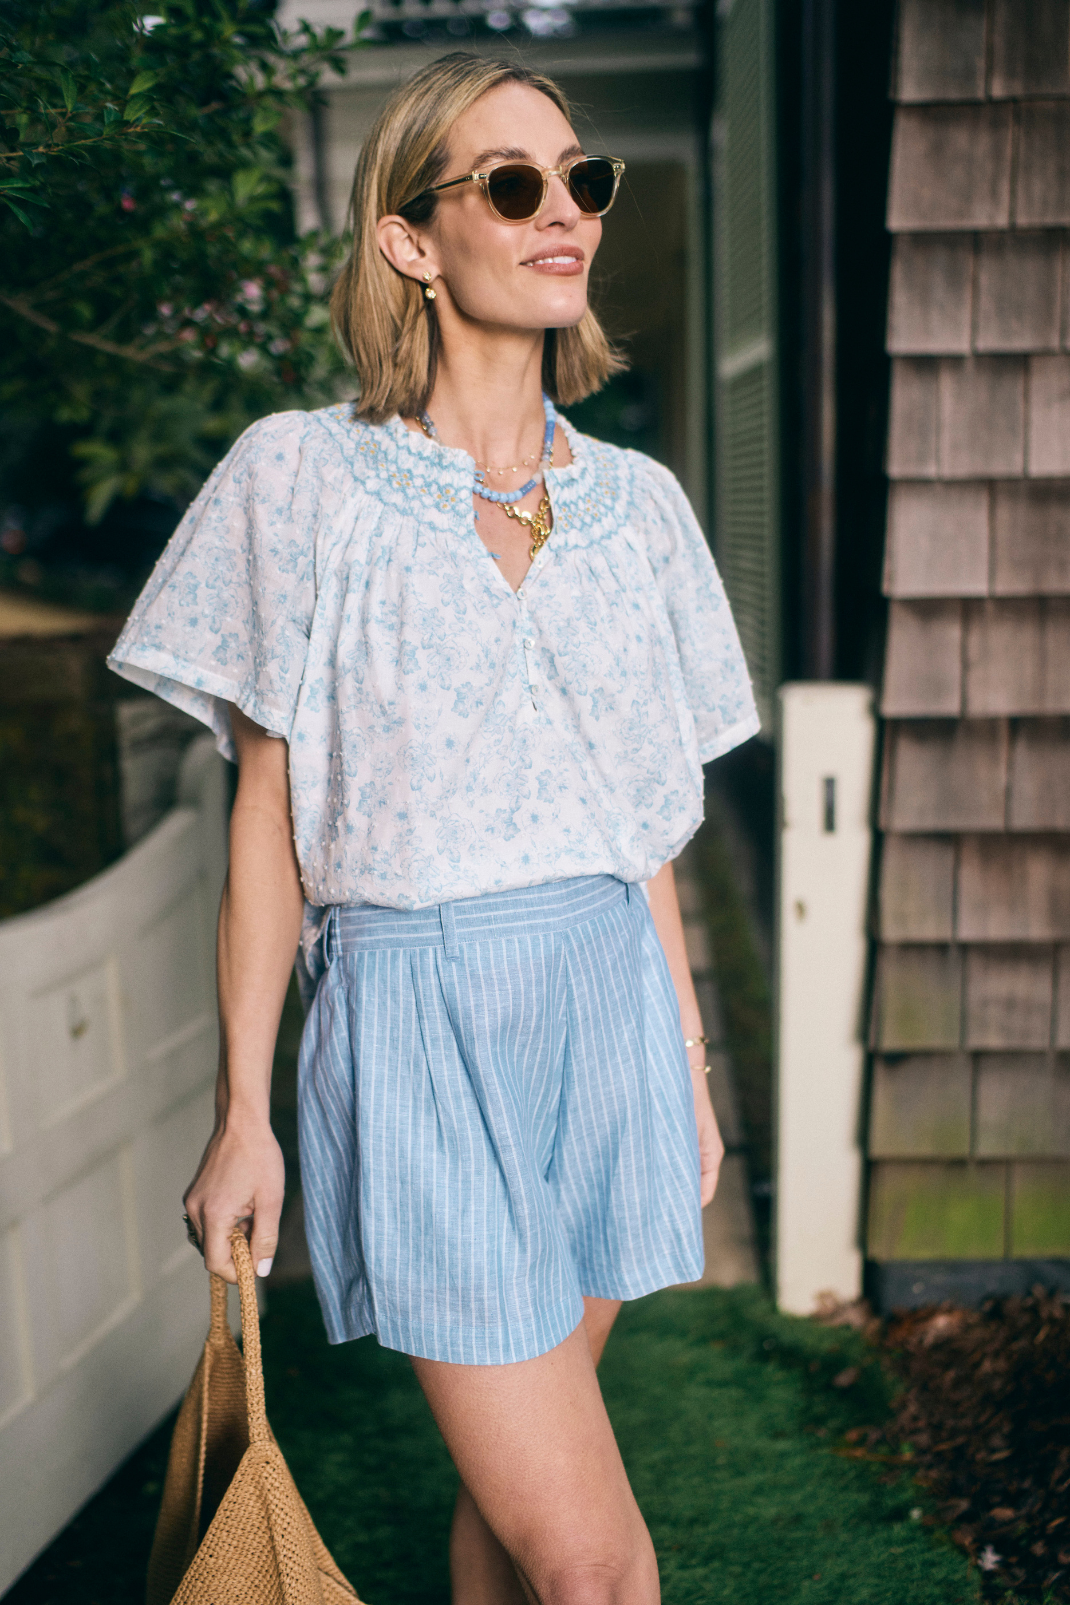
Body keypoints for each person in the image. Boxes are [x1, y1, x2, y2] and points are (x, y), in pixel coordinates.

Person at [108, 50, 757, 1605]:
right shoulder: (298, 481)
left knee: (515, 1505)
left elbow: (644, 828)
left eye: (583, 179)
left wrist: (683, 1066)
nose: (564, 212)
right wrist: (245, 1109)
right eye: (512, 184)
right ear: (409, 238)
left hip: (607, 1013)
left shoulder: (644, 510)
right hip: (415, 1018)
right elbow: (266, 821)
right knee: (594, 1565)